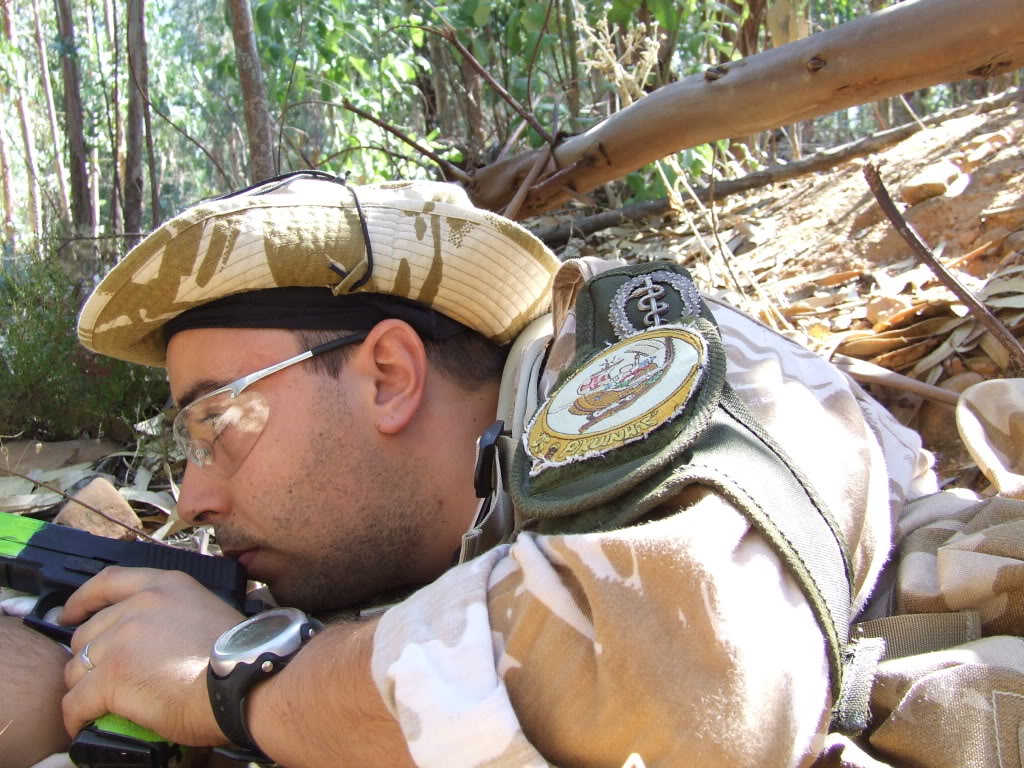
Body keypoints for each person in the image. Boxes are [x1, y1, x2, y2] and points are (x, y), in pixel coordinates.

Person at [6, 172, 928, 767]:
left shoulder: (639, 362)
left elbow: (693, 681)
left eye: (220, 423)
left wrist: (233, 679)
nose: (196, 499)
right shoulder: (430, 526)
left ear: (390, 377)